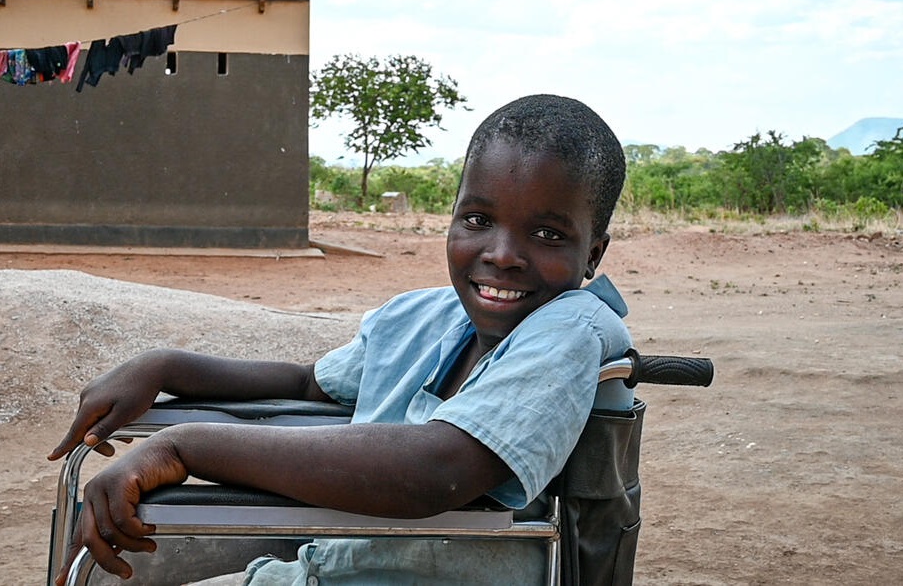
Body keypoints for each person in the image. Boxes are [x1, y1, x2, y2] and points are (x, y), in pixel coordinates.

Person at [49, 94, 633, 585]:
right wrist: (165, 367)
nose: (501, 255)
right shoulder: (425, 316)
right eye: (478, 220)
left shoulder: (570, 329)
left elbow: (439, 470)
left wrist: (184, 446)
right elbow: (311, 382)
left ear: (593, 255)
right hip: (327, 559)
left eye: (547, 233)